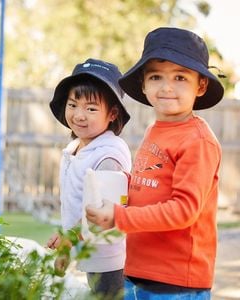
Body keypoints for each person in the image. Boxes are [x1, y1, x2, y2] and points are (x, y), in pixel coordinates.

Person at [86, 27, 225, 299]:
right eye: (156, 76)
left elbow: (184, 210)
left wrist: (119, 216)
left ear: (201, 85)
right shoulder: (155, 130)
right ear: (144, 84)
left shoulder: (198, 141)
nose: (166, 87)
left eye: (180, 77)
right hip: (140, 269)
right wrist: (122, 181)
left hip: (177, 281)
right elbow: (151, 180)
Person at [46, 58, 132, 298]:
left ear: (112, 113)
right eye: (73, 105)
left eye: (91, 108)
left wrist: (69, 239)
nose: (79, 115)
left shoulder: (109, 156)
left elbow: (104, 214)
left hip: (110, 260)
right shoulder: (77, 148)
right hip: (89, 250)